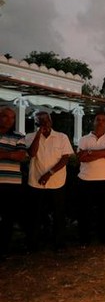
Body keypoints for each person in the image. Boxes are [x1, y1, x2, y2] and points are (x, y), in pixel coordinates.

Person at [25, 111, 73, 252]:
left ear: (51, 122)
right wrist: (38, 134)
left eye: (45, 121)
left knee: (58, 215)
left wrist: (49, 173)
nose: (43, 124)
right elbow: (32, 153)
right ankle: (32, 245)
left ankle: (59, 244)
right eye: (39, 121)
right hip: (35, 182)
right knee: (35, 216)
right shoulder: (30, 137)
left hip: (57, 182)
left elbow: (65, 158)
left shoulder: (61, 137)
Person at [77, 112, 105, 247]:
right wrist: (102, 153)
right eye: (98, 120)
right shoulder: (84, 139)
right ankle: (84, 239)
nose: (100, 122)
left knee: (104, 211)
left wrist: (89, 152)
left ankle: (104, 238)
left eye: (103, 120)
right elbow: (81, 157)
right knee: (85, 212)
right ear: (93, 122)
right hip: (86, 179)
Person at [0, 106, 27, 256]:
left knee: (7, 218)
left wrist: (3, 154)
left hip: (11, 184)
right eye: (6, 116)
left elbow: (21, 156)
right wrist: (11, 154)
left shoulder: (18, 136)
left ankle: (3, 250)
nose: (9, 120)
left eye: (12, 118)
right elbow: (15, 155)